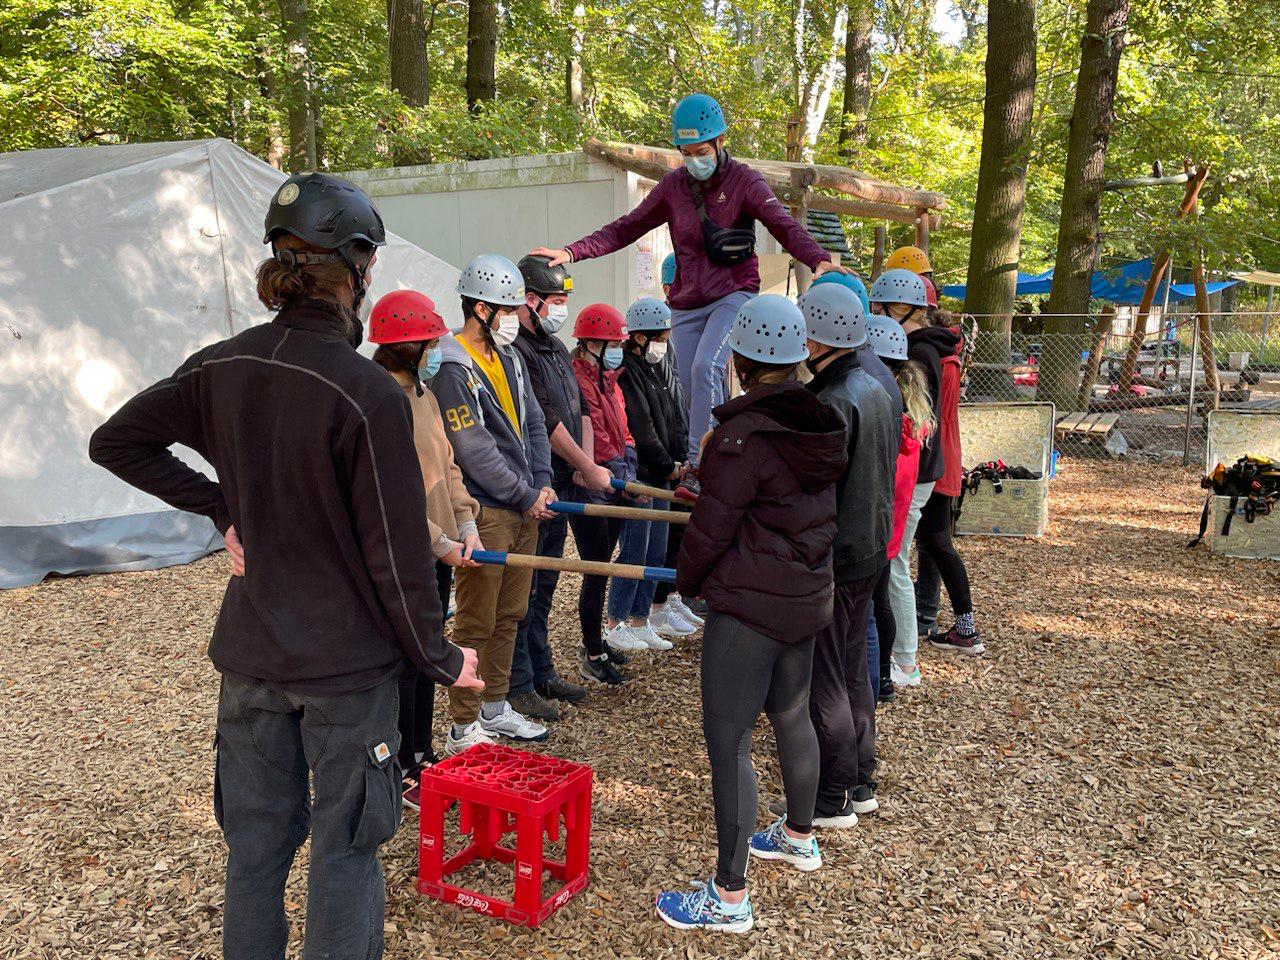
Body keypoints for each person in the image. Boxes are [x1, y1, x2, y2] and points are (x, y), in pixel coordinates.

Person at [88, 171, 482, 960]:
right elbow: (400, 562)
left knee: (255, 857)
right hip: (345, 673)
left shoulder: (221, 365)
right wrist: (445, 660)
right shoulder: (365, 391)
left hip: (253, 658)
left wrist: (218, 502)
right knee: (343, 855)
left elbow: (115, 441)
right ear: (359, 269)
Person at [530, 93, 847, 496]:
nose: (694, 160)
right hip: (687, 300)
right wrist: (573, 251)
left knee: (706, 368)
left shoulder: (745, 181)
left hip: (734, 292)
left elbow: (783, 224)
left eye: (701, 151)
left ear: (719, 141)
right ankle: (705, 446)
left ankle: (705, 464)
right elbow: (625, 228)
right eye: (686, 153)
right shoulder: (673, 187)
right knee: (688, 381)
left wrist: (817, 259)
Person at [656, 295, 847, 934]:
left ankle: (729, 896)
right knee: (791, 712)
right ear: (795, 360)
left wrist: (686, 582)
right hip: (805, 595)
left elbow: (709, 528)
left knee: (730, 735)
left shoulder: (743, 437)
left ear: (741, 359)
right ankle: (798, 835)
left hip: (750, 605)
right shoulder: (820, 422)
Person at [431, 253, 558, 754]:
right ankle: (463, 724)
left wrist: (543, 483)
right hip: (488, 512)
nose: (515, 318)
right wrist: (525, 495)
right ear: (480, 308)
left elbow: (534, 425)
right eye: (507, 309)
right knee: (476, 620)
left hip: (525, 505)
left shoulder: (510, 358)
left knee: (511, 614)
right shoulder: (451, 366)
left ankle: (495, 705)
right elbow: (473, 448)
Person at [367, 289, 485, 809]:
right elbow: (389, 494)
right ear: (406, 347)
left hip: (439, 550)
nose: (438, 347)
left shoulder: (424, 396)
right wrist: (440, 543)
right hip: (405, 552)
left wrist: (467, 524)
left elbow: (448, 468)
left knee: (429, 650)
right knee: (406, 661)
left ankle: (420, 750)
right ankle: (398, 764)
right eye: (429, 340)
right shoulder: (381, 401)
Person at [796, 282, 896, 821]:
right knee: (854, 668)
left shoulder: (833, 400)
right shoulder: (872, 384)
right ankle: (860, 778)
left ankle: (831, 797)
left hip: (841, 553)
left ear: (815, 341)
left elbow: (821, 489)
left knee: (828, 676)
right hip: (871, 548)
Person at [507, 255, 604, 722]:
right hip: (533, 488)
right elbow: (545, 421)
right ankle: (518, 684)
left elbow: (580, 410)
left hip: (562, 483)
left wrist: (586, 466)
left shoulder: (555, 347)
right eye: (558, 301)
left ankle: (542, 669)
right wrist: (583, 463)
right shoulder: (518, 351)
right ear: (532, 300)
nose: (562, 310)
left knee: (545, 584)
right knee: (522, 592)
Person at [568, 303, 655, 679]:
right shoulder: (579, 379)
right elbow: (598, 439)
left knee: (605, 563)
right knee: (597, 567)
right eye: (611, 342)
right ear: (589, 343)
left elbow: (624, 429)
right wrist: (622, 475)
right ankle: (592, 655)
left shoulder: (610, 378)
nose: (618, 348)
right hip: (590, 489)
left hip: (616, 483)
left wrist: (630, 470)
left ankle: (598, 641)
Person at [868, 268, 938, 688]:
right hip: (911, 482)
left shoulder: (920, 355)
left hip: (905, 489)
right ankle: (901, 657)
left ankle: (906, 660)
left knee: (894, 568)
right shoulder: (920, 360)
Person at [607, 298, 690, 642]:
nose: (664, 344)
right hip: (643, 473)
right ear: (640, 337)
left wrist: (679, 459)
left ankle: (642, 618)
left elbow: (674, 414)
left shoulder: (656, 367)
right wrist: (666, 464)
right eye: (660, 337)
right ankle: (616, 622)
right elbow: (641, 428)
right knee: (635, 550)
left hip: (665, 472)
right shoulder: (629, 372)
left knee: (656, 549)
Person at [909, 286, 983, 654]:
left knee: (937, 542)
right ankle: (947, 621)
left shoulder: (934, 359)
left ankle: (964, 625)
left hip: (935, 457)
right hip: (945, 454)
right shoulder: (947, 354)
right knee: (934, 542)